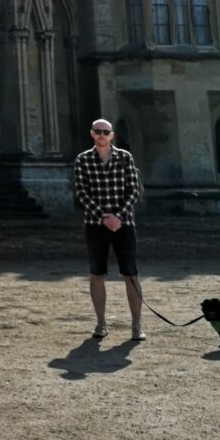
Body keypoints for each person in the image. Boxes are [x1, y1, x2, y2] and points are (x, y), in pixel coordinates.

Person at [73, 118, 145, 341]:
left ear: (112, 135)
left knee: (130, 274)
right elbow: (82, 193)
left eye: (106, 131)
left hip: (124, 225)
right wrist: (104, 217)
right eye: (98, 131)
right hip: (96, 225)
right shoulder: (82, 160)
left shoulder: (125, 157)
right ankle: (101, 323)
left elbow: (134, 191)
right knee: (97, 274)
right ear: (92, 134)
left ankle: (136, 325)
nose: (102, 135)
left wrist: (118, 217)